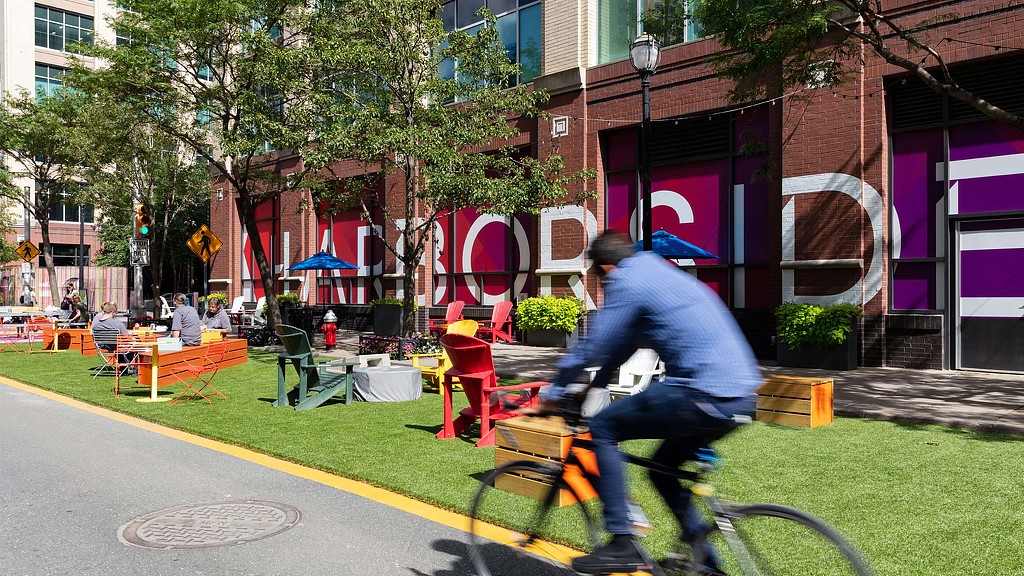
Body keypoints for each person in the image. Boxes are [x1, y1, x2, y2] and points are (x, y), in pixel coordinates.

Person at [528, 231, 762, 575]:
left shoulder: (627, 281)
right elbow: (624, 345)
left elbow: (594, 346)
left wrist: (553, 393)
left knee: (603, 427)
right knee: (663, 469)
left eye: (599, 278)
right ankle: (706, 563)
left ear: (606, 268)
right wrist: (591, 387)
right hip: (741, 398)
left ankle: (622, 544)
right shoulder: (660, 273)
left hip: (701, 392)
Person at [92, 301, 133, 370]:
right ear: (113, 312)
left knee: (118, 348)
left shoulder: (96, 325)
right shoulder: (117, 323)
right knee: (135, 345)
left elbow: (93, 337)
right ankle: (128, 366)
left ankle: (124, 367)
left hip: (103, 346)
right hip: (117, 346)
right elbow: (127, 337)